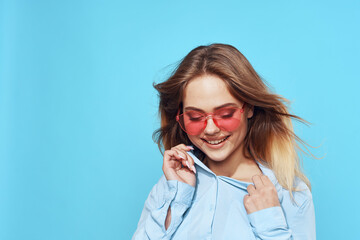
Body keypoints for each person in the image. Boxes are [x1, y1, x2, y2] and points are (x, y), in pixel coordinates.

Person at [132, 43, 315, 240]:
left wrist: (269, 224)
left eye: (226, 114)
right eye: (194, 117)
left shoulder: (290, 192)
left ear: (250, 107)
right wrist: (177, 197)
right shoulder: (171, 185)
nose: (210, 129)